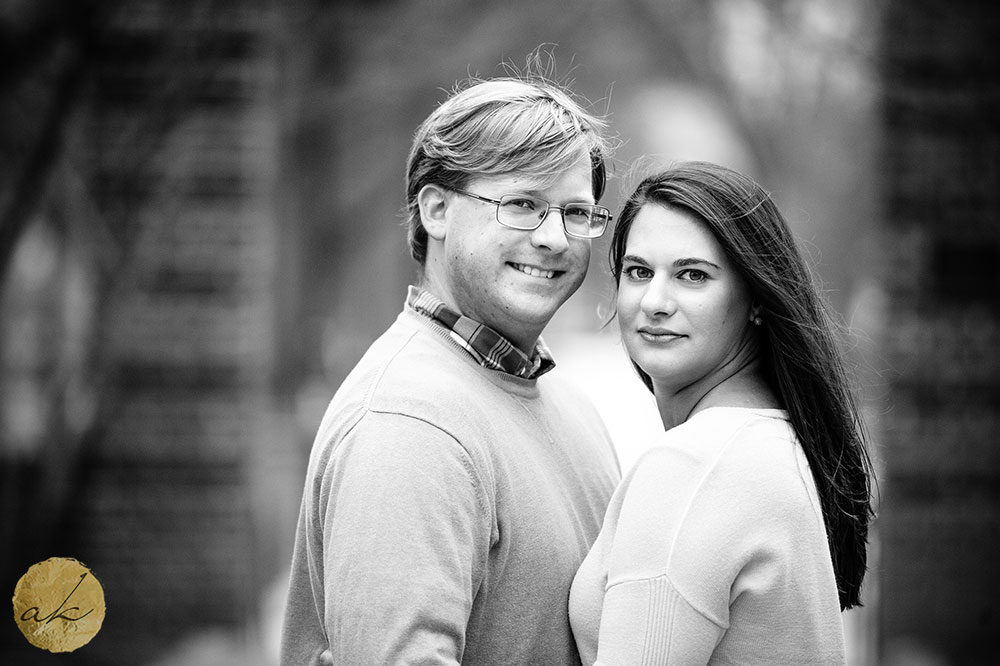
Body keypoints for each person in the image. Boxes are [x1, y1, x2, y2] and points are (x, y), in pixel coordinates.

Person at [280, 69, 622, 666]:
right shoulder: (409, 425)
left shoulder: (570, 406)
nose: (554, 238)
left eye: (575, 212)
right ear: (436, 210)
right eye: (523, 204)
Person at [569, 162, 875, 665]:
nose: (654, 301)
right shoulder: (769, 442)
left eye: (692, 275)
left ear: (756, 298)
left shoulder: (693, 467)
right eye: (638, 272)